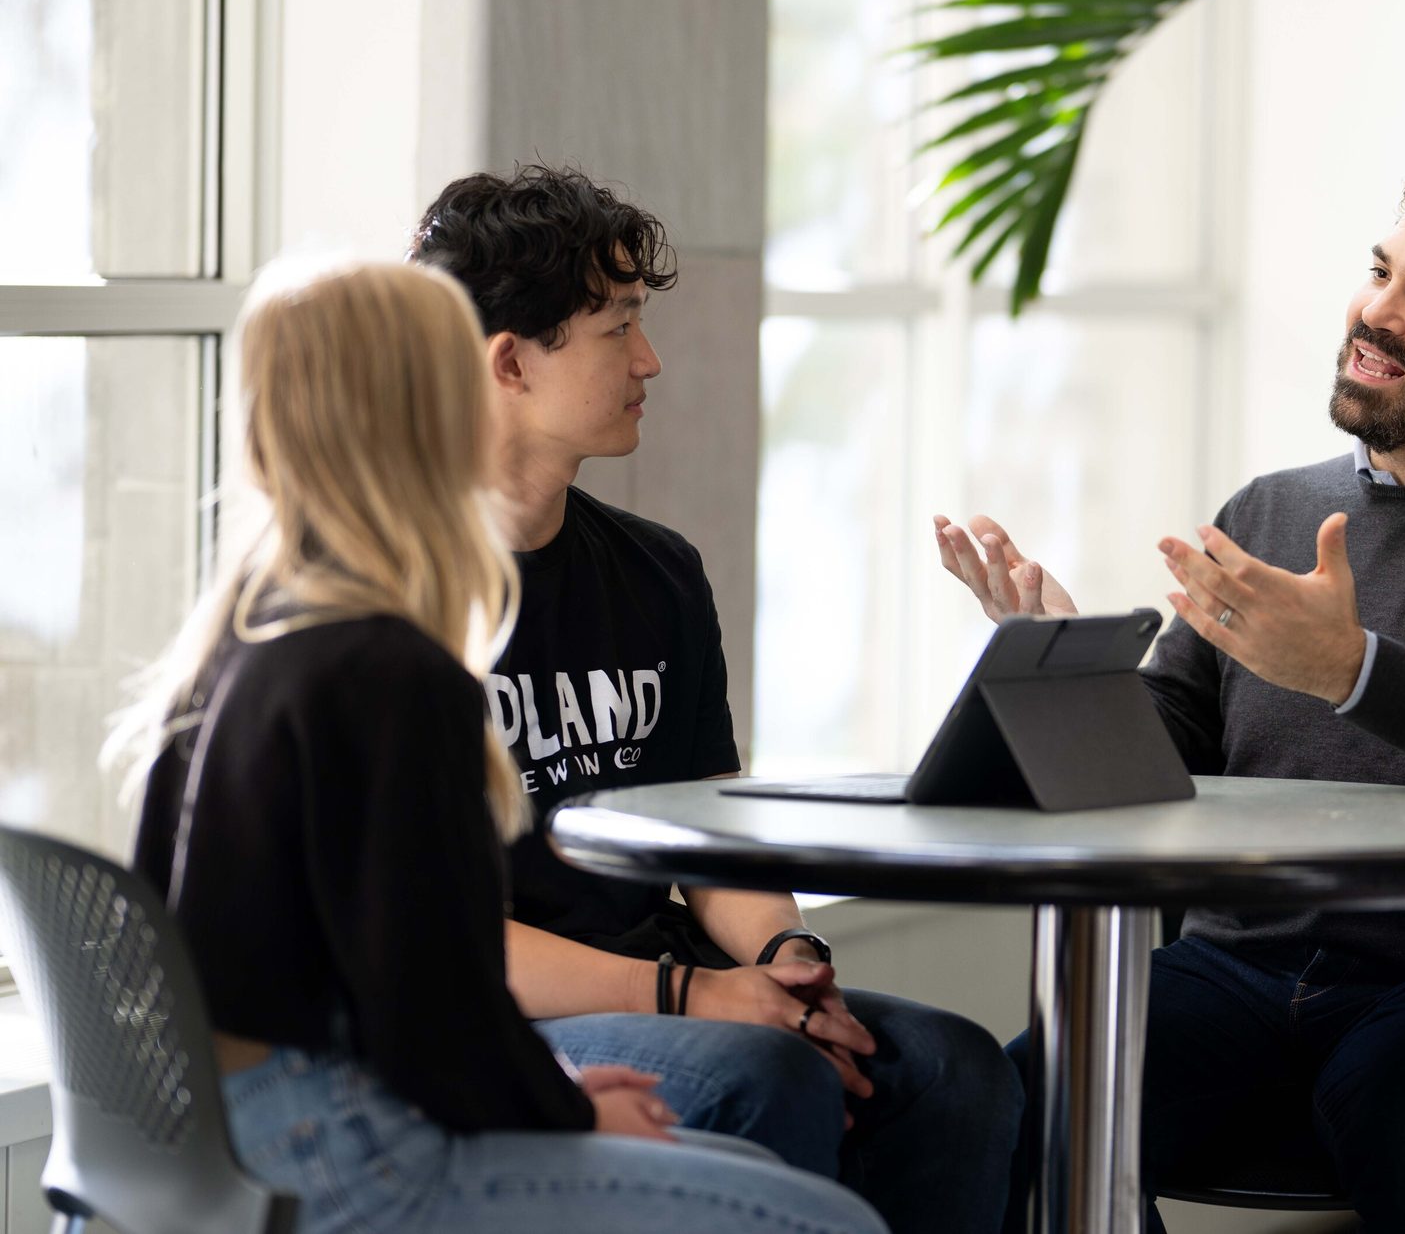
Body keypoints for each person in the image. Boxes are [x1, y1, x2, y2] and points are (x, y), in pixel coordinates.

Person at [936, 159, 1405, 1234]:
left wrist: (1354, 670)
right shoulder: (1271, 511)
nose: (1377, 314)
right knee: (1010, 1121)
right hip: (1236, 970)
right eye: (1382, 273)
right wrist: (1067, 669)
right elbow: (1164, 750)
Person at [111, 260, 886, 1233]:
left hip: (232, 1134)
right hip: (345, 1149)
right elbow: (433, 1007)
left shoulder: (248, 635)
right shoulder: (391, 668)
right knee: (833, 1223)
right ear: (425, 411)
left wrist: (561, 1095)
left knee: (746, 1158)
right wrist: (568, 1107)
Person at [408, 165, 1022, 1233]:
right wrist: (691, 997)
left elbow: (707, 837)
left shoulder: (658, 574)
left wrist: (787, 965)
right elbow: (438, 939)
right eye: (618, 328)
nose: (651, 360)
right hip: (490, 1015)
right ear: (510, 361)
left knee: (956, 1068)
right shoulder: (391, 597)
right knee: (766, 1077)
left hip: (669, 983)